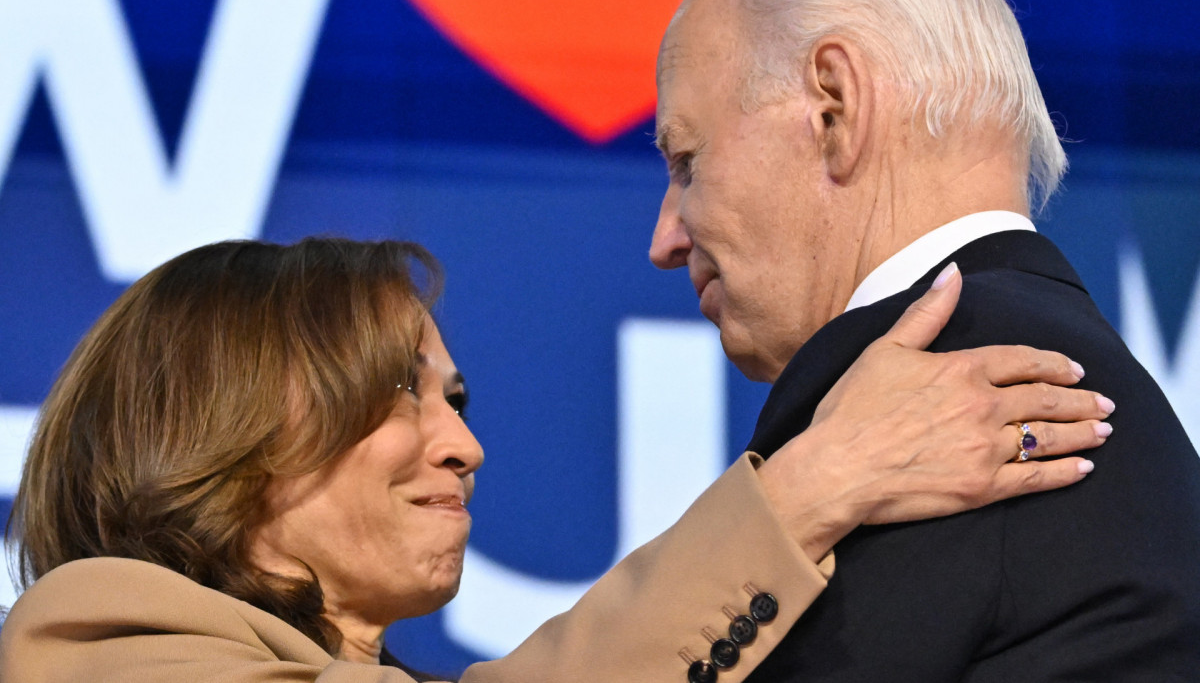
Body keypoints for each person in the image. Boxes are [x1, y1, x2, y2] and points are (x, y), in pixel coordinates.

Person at [0, 238, 1109, 683]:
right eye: (396, 391)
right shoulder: (93, 644)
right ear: (214, 425)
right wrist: (813, 486)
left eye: (456, 399)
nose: (465, 445)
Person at [649, 0, 1200, 679]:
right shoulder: (1110, 391)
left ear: (834, 107)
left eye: (688, 161)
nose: (666, 239)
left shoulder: (907, 405)